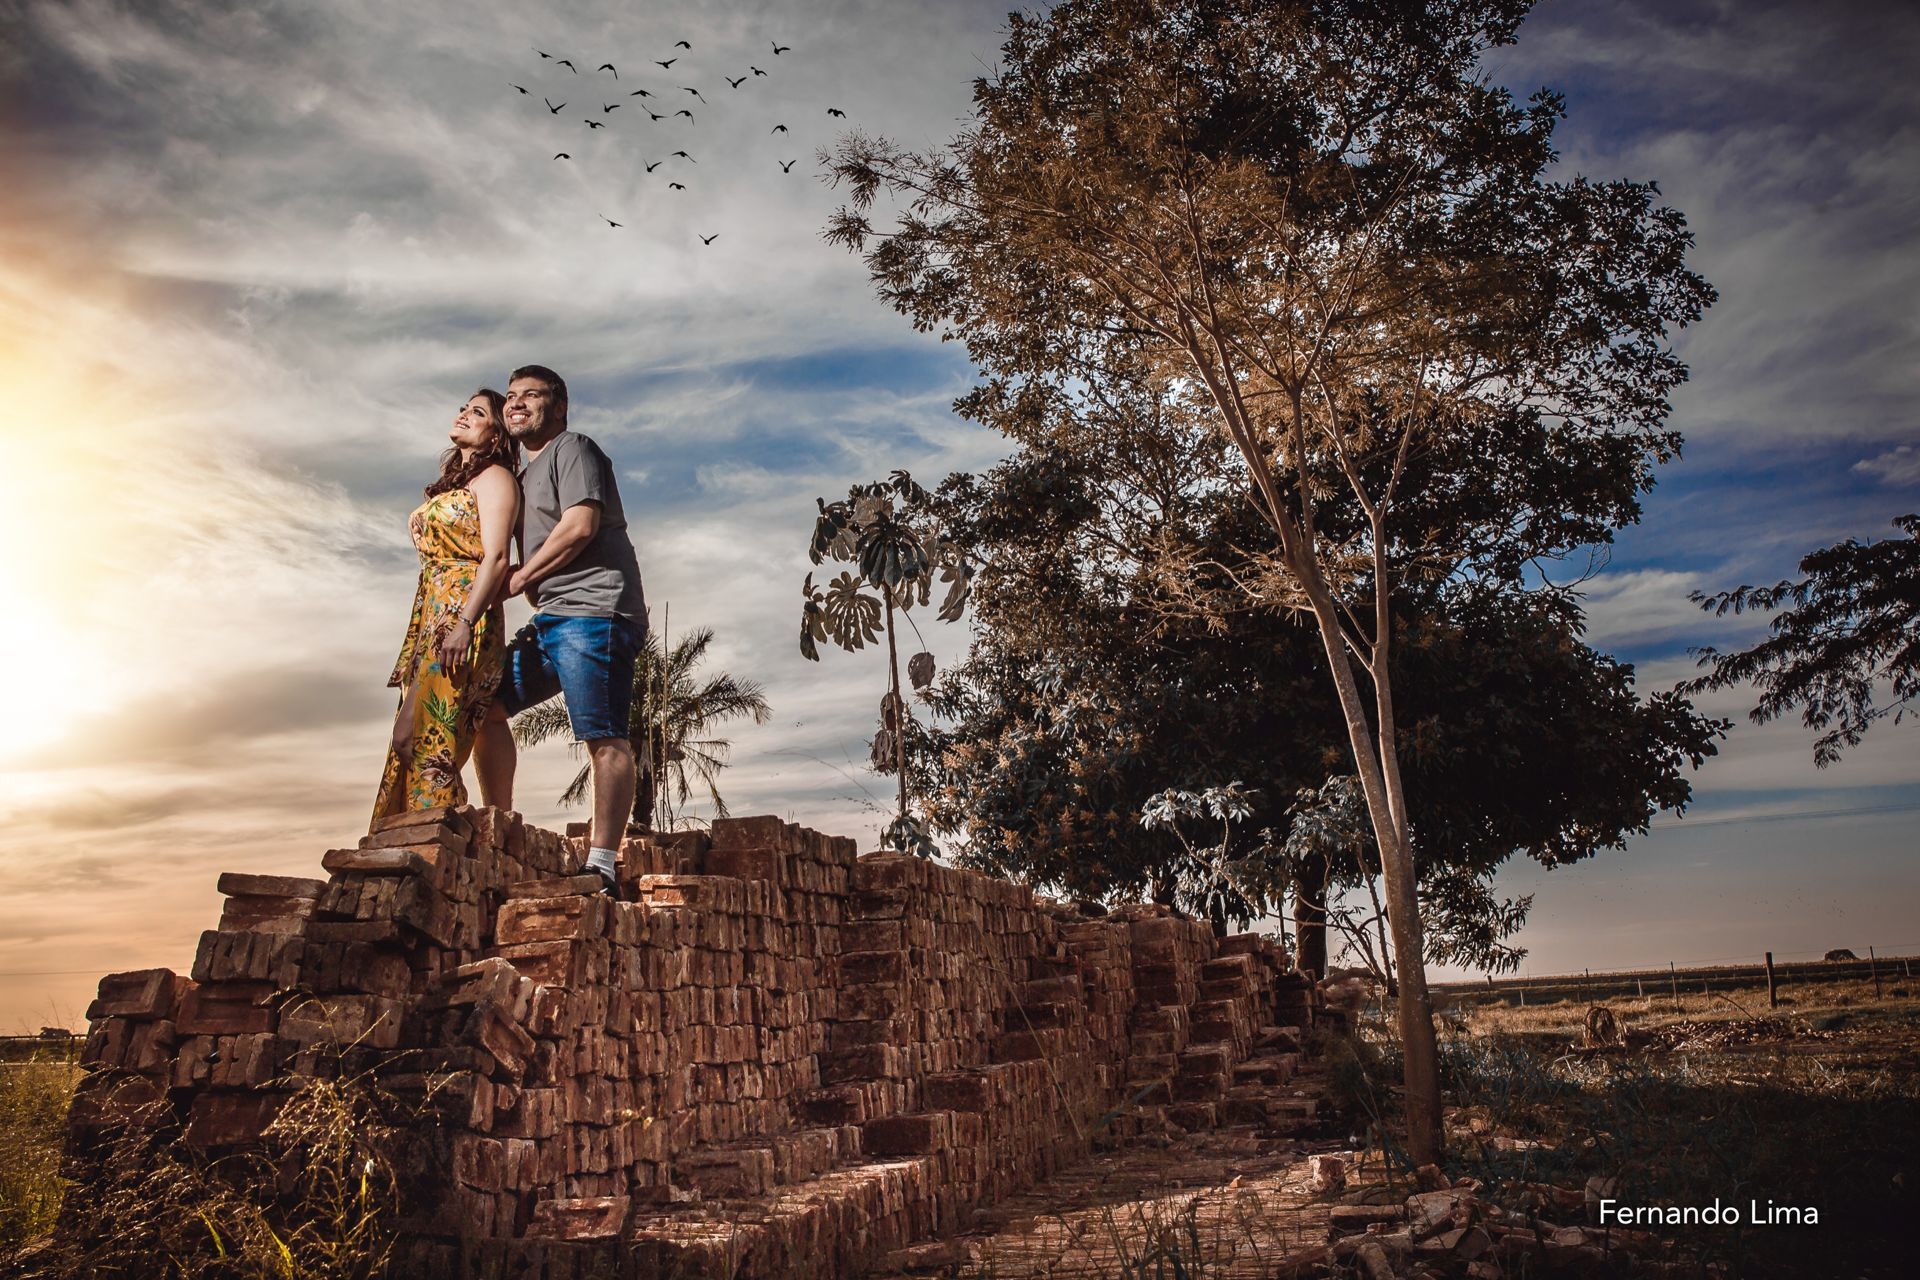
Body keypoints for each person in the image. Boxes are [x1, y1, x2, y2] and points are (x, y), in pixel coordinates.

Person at [473, 364, 647, 895]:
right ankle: (497, 826)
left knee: (603, 734)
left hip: (595, 611)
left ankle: (603, 864)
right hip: (552, 617)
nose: (517, 403)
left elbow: (580, 525)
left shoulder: (572, 448)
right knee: (486, 706)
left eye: (532, 395)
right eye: (510, 397)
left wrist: (522, 575)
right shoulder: (519, 474)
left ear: (560, 405)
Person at [372, 389, 520, 823]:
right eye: (464, 407)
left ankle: (448, 843)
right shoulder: (460, 481)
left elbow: (495, 558)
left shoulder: (496, 478)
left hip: (461, 615)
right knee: (407, 737)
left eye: (478, 412)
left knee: (427, 740)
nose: (464, 415)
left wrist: (465, 622)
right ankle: (426, 838)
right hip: (432, 616)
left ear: (496, 434)